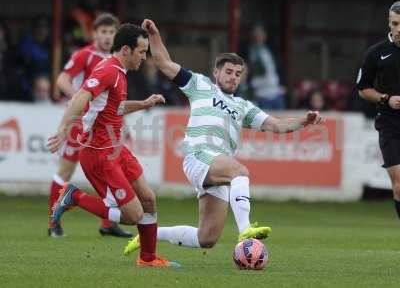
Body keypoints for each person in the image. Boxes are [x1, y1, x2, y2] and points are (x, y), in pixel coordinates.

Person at [124, 19, 323, 254]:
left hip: (218, 164)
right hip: (198, 156)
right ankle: (246, 229)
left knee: (206, 238)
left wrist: (304, 121)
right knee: (240, 171)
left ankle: (149, 235)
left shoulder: (243, 106)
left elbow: (276, 125)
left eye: (238, 74)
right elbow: (163, 62)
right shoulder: (200, 85)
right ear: (216, 72)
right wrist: (155, 35)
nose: (233, 77)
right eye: (228, 71)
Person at [48, 23, 179, 268]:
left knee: (149, 199)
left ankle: (148, 259)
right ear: (127, 49)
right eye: (141, 51)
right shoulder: (108, 70)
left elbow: (115, 108)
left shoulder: (119, 72)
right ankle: (74, 196)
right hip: (99, 155)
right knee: (133, 215)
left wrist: (143, 103)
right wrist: (63, 129)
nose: (144, 57)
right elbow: (80, 97)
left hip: (116, 148)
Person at [47, 13, 132, 238]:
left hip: (104, 127)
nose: (107, 36)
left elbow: (116, 101)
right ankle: (53, 221)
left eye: (111, 32)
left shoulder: (118, 61)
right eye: (102, 32)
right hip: (80, 124)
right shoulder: (85, 55)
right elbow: (62, 80)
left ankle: (108, 224)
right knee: (66, 170)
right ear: (94, 34)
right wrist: (80, 97)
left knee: (110, 172)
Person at [357, 1, 400, 221]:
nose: (399, 29)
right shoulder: (376, 52)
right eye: (395, 23)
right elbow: (363, 89)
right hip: (390, 124)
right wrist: (386, 98)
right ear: (389, 23)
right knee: (399, 184)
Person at [246, 24, 285, 110]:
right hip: (261, 94)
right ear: (252, 35)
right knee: (265, 122)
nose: (259, 36)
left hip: (276, 91)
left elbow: (278, 68)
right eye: (256, 34)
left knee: (282, 121)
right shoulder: (249, 50)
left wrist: (282, 84)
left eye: (261, 33)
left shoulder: (270, 49)